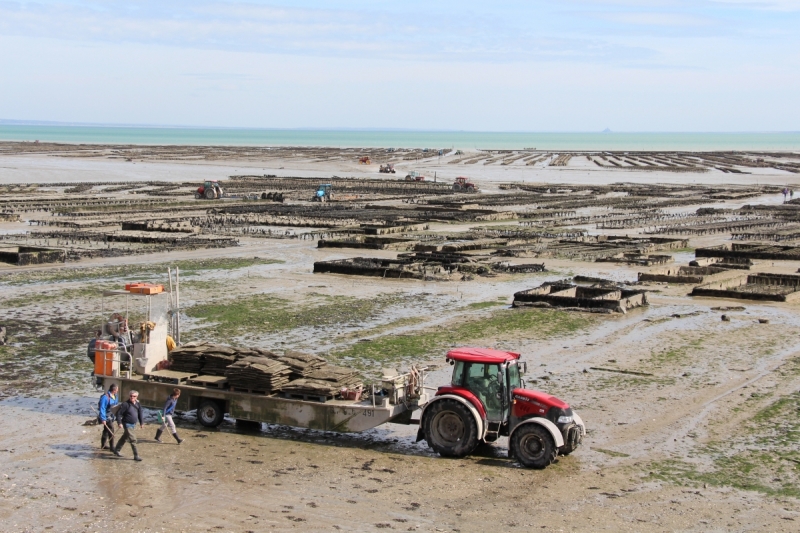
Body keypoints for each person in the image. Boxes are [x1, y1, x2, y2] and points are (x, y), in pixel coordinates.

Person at [113, 390, 144, 461]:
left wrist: (141, 422)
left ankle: (116, 450)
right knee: (133, 439)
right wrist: (119, 423)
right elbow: (119, 414)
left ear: (137, 397)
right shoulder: (125, 404)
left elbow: (140, 413)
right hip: (127, 424)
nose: (132, 397)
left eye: (134, 396)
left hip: (133, 424)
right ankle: (136, 456)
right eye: (131, 396)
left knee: (125, 437)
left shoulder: (138, 404)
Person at [97, 384, 118, 450]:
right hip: (106, 416)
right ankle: (112, 447)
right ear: (114, 390)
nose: (117, 391)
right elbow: (102, 408)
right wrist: (103, 419)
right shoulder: (105, 397)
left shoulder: (115, 396)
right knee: (111, 429)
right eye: (117, 390)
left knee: (106, 430)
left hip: (111, 416)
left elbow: (115, 406)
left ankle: (103, 445)